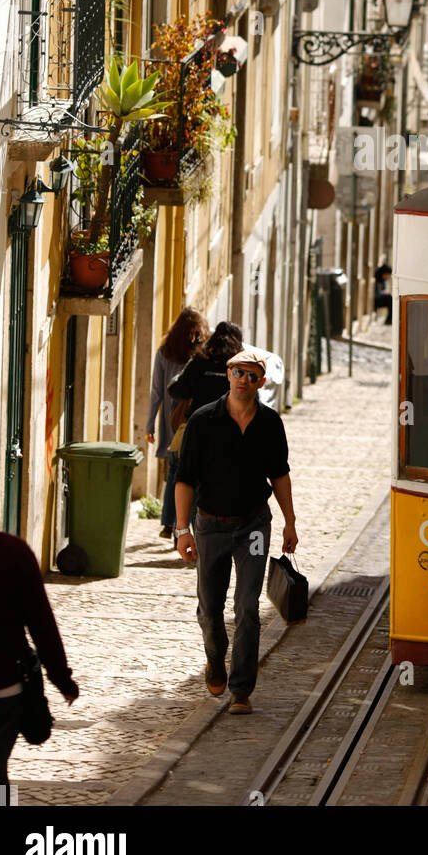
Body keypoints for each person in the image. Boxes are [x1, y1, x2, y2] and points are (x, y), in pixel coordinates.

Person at [174, 346, 298, 716]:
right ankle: (215, 660)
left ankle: (241, 689)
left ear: (261, 381)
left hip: (253, 525)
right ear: (228, 375)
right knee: (210, 608)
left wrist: (290, 520)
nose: (244, 380)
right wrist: (182, 530)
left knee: (247, 605)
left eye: (252, 375)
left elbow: (279, 474)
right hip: (210, 525)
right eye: (238, 373)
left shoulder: (271, 423)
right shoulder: (202, 421)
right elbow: (184, 480)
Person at [0, 455, 79, 786]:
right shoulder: (13, 552)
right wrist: (62, 679)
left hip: (0, 685)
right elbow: (41, 625)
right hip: (3, 684)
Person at [145, 307, 209, 540]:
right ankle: (185, 526)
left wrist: (150, 424)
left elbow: (156, 393)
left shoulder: (164, 352)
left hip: (170, 422)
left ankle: (168, 524)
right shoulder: (201, 355)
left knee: (174, 471)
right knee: (190, 474)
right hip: (193, 418)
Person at [168, 320, 244, 416]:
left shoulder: (200, 361)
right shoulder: (241, 367)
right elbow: (254, 398)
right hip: (231, 425)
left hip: (200, 424)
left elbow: (177, 390)